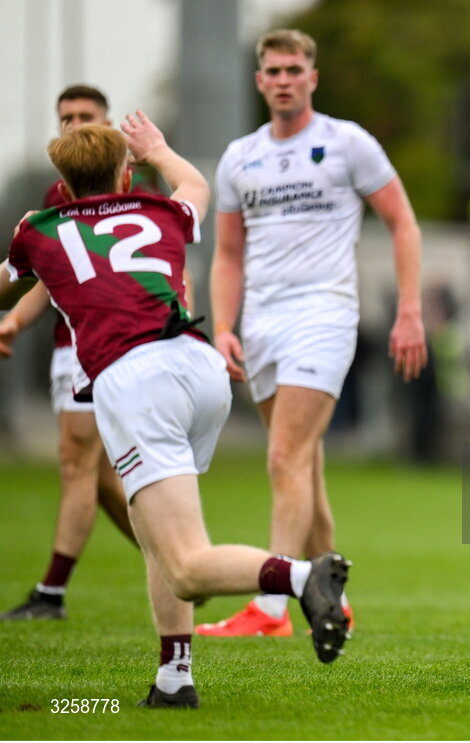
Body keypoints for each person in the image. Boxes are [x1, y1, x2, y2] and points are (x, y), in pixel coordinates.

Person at [1, 115, 350, 708]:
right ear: (126, 173)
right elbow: (198, 187)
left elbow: (10, 284)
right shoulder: (158, 209)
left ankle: (300, 577)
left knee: (186, 564)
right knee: (154, 530)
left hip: (137, 381)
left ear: (62, 183)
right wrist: (160, 148)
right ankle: (174, 676)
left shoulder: (38, 227)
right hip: (197, 364)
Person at [202, 29, 427, 637]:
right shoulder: (239, 157)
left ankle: (272, 608)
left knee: (283, 456)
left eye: (293, 69)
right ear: (259, 81)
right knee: (304, 466)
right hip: (262, 325)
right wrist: (222, 326)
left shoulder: (346, 143)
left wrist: (409, 310)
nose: (282, 79)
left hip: (324, 314)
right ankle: (335, 596)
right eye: (272, 70)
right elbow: (226, 256)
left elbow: (403, 222)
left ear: (312, 77)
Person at [0, 85, 144, 622]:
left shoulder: (135, 186)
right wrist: (14, 318)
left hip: (118, 347)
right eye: (66, 117)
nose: (74, 124)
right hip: (73, 345)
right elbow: (44, 275)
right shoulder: (58, 196)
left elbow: (175, 268)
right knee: (100, 477)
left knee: (80, 464)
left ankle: (52, 593)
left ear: (108, 124)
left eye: (86, 116)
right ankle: (181, 563)